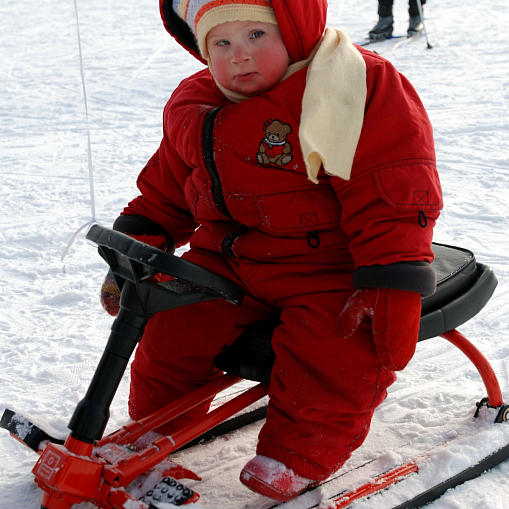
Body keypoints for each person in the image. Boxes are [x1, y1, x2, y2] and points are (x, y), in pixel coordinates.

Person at [100, 0, 442, 502]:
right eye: (222, 43)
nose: (239, 56)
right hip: (228, 260)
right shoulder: (197, 105)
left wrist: (393, 275)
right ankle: (156, 422)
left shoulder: (353, 84)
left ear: (295, 30)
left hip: (333, 266)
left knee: (333, 345)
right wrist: (142, 237)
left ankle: (298, 455)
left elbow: (392, 185)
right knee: (172, 321)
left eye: (257, 35)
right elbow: (168, 185)